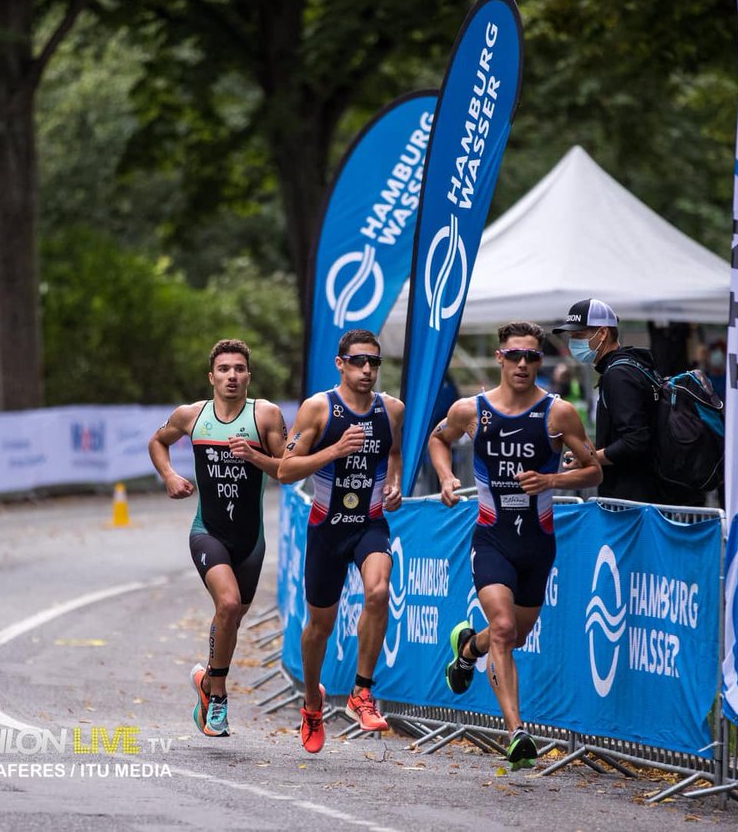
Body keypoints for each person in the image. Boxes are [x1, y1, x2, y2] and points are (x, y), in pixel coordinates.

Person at [428, 321, 601, 769]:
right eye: (514, 355)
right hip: (492, 539)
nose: (523, 364)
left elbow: (593, 471)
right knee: (505, 628)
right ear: (500, 359)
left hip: (538, 545)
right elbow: (438, 439)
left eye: (532, 356)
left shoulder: (558, 414)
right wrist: (447, 477)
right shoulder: (472, 410)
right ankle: (516, 733)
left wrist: (552, 479)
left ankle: (469, 648)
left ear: (541, 361)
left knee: (513, 636)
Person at [148, 338, 287, 737]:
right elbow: (158, 441)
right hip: (207, 531)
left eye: (239, 369)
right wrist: (171, 476)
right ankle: (221, 698)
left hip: (251, 541)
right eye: (224, 369)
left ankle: (206, 682)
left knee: (233, 618)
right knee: (226, 605)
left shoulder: (265, 416)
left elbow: (287, 470)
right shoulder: (192, 416)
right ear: (212, 377)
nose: (232, 376)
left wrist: (256, 456)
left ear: (249, 375)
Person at [278, 329, 404, 754]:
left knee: (379, 589)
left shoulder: (392, 410)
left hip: (369, 523)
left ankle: (362, 692)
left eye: (373, 362)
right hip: (327, 526)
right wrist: (333, 452)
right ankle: (313, 703)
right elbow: (285, 470)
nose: (366, 370)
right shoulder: (319, 408)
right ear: (340, 364)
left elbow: (394, 454)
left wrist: (396, 483)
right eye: (357, 362)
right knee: (319, 629)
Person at [550, 297, 659, 502]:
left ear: (602, 333)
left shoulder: (619, 374)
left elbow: (635, 441)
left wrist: (589, 458)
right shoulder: (632, 366)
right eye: (572, 336)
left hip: (631, 500)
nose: (574, 342)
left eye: (580, 335)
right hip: (640, 495)